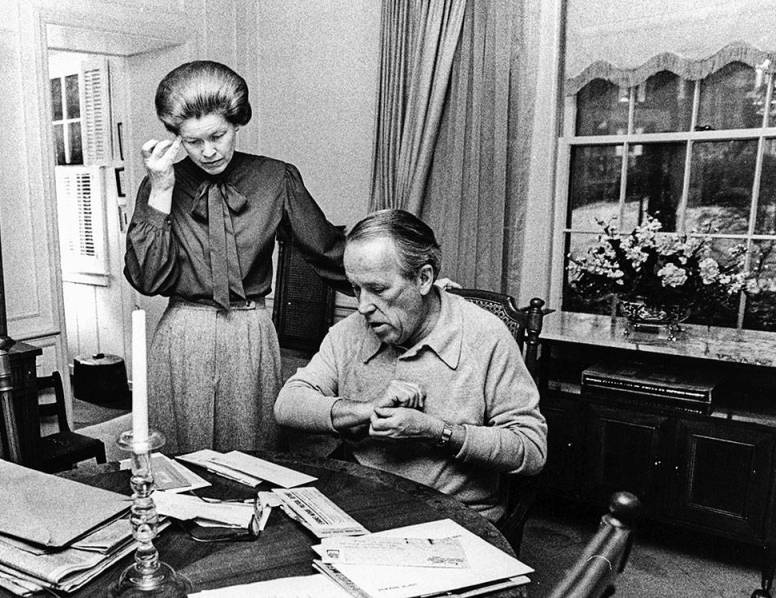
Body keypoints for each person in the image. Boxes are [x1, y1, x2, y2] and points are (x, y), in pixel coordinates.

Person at [125, 60, 348, 454]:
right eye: (193, 142)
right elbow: (147, 280)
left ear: (237, 124)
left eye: (218, 135)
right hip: (182, 334)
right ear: (177, 138)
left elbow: (329, 250)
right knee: (179, 459)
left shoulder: (277, 178)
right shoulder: (159, 182)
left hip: (250, 330)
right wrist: (161, 189)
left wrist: (400, 279)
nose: (208, 152)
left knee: (252, 454)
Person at [274, 209, 546, 521]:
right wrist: (367, 409)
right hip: (362, 504)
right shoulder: (351, 331)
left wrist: (436, 432)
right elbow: (288, 403)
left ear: (423, 278)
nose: (363, 306)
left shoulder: (486, 336)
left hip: (455, 516)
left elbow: (531, 449)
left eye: (378, 289)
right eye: (355, 288)